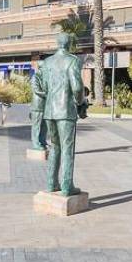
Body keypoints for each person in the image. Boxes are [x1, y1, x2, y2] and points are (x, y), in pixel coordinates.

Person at [36, 33, 85, 195]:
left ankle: (51, 183)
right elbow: (77, 87)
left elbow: (44, 86)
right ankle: (66, 186)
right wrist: (80, 102)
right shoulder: (72, 61)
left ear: (57, 43)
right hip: (65, 111)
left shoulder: (47, 62)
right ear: (69, 44)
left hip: (49, 111)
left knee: (55, 147)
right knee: (67, 148)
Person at [29, 56, 47, 152]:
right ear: (41, 68)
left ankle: (43, 141)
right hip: (37, 105)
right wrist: (48, 94)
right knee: (37, 125)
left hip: (45, 105)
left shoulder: (46, 78)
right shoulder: (35, 77)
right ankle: (36, 143)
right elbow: (37, 90)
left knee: (44, 126)